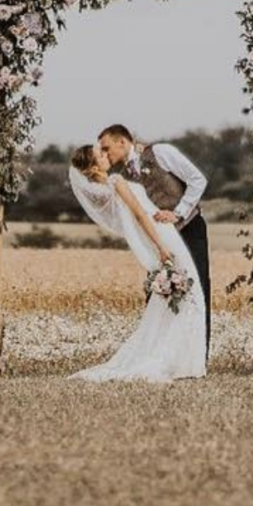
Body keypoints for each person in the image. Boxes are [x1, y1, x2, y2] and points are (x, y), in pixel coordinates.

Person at [65, 145, 208, 382]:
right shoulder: (116, 181)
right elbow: (141, 215)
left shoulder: (107, 188)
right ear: (93, 167)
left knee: (183, 297)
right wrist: (161, 247)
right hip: (162, 234)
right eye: (100, 155)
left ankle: (181, 359)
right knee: (191, 296)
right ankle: (181, 361)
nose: (106, 155)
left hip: (160, 232)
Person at [95, 124, 212, 357]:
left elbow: (198, 180)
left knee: (198, 288)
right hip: (160, 240)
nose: (106, 155)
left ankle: (198, 354)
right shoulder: (121, 177)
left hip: (189, 229)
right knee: (159, 292)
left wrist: (178, 212)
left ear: (122, 141)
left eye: (107, 148)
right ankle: (161, 353)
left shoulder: (161, 153)